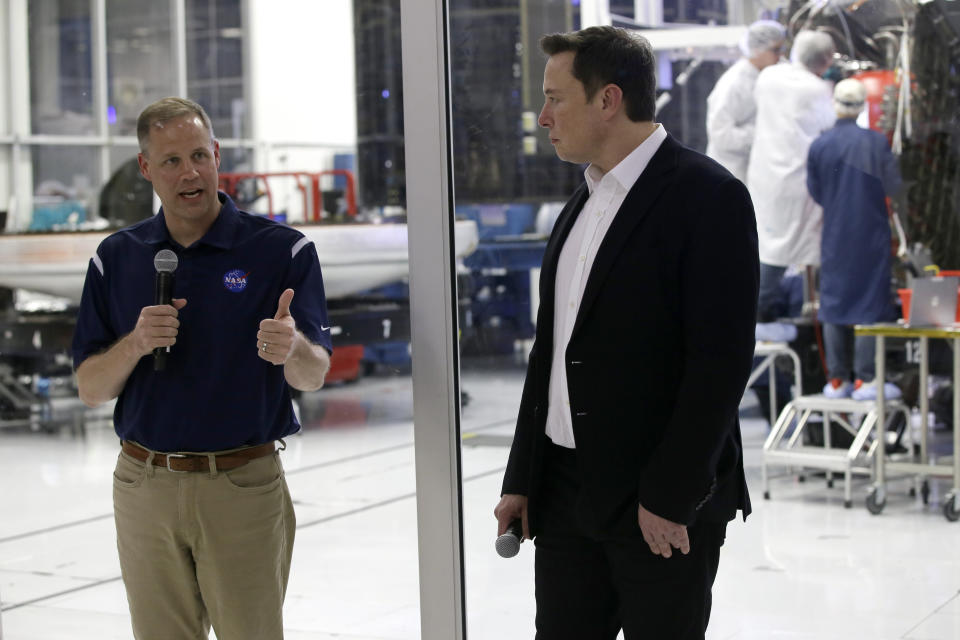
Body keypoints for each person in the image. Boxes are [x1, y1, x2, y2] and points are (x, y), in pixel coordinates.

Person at [493, 26, 759, 639]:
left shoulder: (708, 197)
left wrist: (670, 495)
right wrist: (523, 476)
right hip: (563, 493)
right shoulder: (581, 203)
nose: (542, 116)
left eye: (556, 98)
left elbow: (718, 364)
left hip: (655, 497)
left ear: (608, 100)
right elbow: (552, 353)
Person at [71, 97, 332, 640]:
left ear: (216, 155)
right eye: (170, 161)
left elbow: (312, 375)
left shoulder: (281, 251)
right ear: (146, 168)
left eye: (198, 155)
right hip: (144, 486)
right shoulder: (116, 257)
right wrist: (137, 343)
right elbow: (91, 388)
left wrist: (292, 349)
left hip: (242, 485)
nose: (189, 172)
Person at [807, 78, 903, 400]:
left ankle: (836, 379)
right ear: (862, 106)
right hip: (870, 237)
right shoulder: (876, 143)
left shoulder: (820, 145)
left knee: (834, 304)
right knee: (868, 306)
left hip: (835, 236)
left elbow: (816, 190)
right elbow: (893, 188)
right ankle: (865, 379)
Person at [747, 30, 836, 321]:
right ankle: (803, 318)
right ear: (825, 62)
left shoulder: (768, 78)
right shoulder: (818, 90)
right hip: (800, 182)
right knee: (801, 248)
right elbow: (829, 131)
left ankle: (756, 319)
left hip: (764, 179)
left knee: (769, 250)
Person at [705, 20, 787, 183]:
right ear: (757, 50)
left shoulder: (765, 76)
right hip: (730, 172)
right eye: (775, 50)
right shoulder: (734, 84)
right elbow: (721, 135)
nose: (780, 56)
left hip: (753, 170)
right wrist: (762, 133)